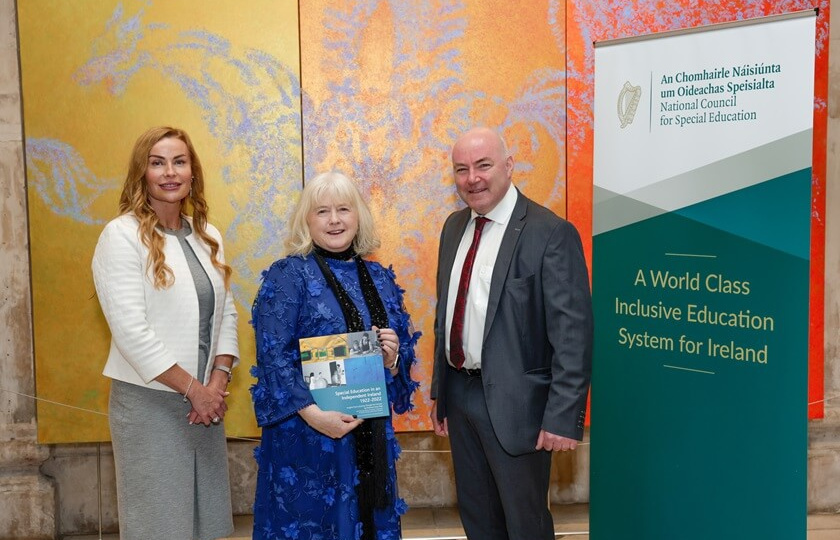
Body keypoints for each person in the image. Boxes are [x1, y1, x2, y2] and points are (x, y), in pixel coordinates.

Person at [429, 127, 593, 540]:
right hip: (461, 398)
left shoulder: (549, 233)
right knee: (479, 521)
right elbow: (447, 314)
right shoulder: (453, 228)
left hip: (520, 409)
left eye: (483, 165)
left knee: (526, 527)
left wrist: (562, 416)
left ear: (509, 165)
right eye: (461, 169)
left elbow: (573, 334)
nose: (473, 178)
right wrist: (440, 392)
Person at [250, 171, 420, 540]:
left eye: (344, 209)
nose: (334, 220)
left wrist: (391, 358)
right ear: (306, 220)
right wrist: (314, 416)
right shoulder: (288, 275)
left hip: (369, 436)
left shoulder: (379, 277)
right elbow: (271, 357)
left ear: (358, 215)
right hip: (307, 438)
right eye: (322, 211)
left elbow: (402, 356)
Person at [91, 126, 239, 540]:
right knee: (159, 527)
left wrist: (216, 382)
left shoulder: (209, 236)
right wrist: (194, 389)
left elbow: (226, 314)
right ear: (142, 173)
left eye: (179, 161)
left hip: (204, 404)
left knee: (206, 524)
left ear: (193, 171)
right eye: (157, 163)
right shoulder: (120, 236)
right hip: (149, 404)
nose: (169, 172)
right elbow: (131, 333)